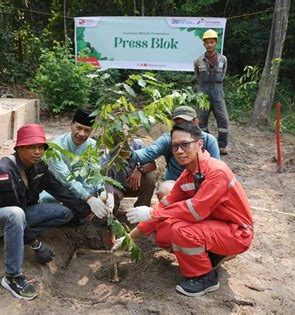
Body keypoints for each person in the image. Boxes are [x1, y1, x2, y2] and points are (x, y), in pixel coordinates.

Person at [113, 123, 253, 297]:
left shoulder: (216, 172)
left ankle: (205, 277)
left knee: (180, 230)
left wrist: (151, 213)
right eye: (175, 146)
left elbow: (195, 210)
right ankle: (208, 257)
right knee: (163, 232)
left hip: (236, 232)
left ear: (200, 144)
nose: (179, 151)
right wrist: (129, 239)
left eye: (185, 144)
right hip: (214, 225)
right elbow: (165, 206)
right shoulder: (188, 174)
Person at [0, 124, 90, 300]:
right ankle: (12, 276)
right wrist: (37, 245)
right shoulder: (4, 171)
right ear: (19, 148)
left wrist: (85, 209)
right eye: (31, 147)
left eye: (40, 147)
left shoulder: (38, 167)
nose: (37, 152)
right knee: (15, 214)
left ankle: (16, 237)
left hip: (19, 214)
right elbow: (13, 209)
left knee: (65, 212)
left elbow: (59, 190)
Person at [43, 108, 113, 219]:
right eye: (78, 128)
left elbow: (95, 171)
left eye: (87, 130)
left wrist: (101, 190)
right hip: (60, 189)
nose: (82, 134)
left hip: (84, 188)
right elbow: (66, 179)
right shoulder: (56, 148)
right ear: (71, 125)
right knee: (48, 200)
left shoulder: (93, 145)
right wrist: (89, 198)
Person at [125, 105, 219, 181]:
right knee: (165, 190)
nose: (179, 151)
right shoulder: (168, 140)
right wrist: (129, 153)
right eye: (178, 124)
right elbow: (150, 152)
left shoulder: (209, 141)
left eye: (186, 123)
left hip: (202, 183)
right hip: (175, 183)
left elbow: (215, 170)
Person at [194, 29, 229, 155]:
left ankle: (222, 145)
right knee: (201, 121)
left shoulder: (223, 59)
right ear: (204, 44)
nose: (209, 44)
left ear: (216, 43)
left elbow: (223, 75)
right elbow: (197, 77)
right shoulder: (198, 60)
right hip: (203, 93)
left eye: (212, 42)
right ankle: (207, 145)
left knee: (223, 120)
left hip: (218, 93)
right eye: (207, 42)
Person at [103, 136, 157, 211]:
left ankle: (141, 209)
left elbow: (152, 165)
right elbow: (105, 179)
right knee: (108, 201)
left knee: (150, 177)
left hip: (135, 185)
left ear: (130, 139)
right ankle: (112, 212)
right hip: (116, 188)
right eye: (119, 142)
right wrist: (110, 196)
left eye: (126, 141)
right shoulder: (106, 151)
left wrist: (139, 170)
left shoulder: (138, 145)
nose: (122, 146)